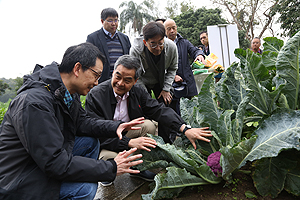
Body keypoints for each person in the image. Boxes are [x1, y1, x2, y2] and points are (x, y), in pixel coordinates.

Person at [0, 42, 146, 200]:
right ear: (77, 69)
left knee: (90, 142)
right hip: (20, 178)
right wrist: (111, 167)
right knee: (85, 188)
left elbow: (82, 122)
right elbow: (54, 162)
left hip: (41, 162)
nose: (97, 82)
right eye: (96, 75)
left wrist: (116, 126)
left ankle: (67, 180)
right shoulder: (34, 103)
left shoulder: (66, 92)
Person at [85, 54, 212, 160]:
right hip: (107, 140)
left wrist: (185, 128)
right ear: (113, 73)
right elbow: (97, 134)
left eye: (127, 80)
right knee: (109, 160)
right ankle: (121, 162)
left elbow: (158, 110)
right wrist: (128, 143)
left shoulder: (137, 91)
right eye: (117, 77)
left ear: (135, 81)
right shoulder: (96, 96)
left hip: (127, 134)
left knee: (148, 125)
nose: (120, 83)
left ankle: (139, 163)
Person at [129, 21, 178, 143]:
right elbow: (135, 75)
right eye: (153, 44)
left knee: (165, 104)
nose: (158, 48)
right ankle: (145, 141)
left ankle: (166, 142)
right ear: (145, 42)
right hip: (142, 80)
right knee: (141, 107)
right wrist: (144, 97)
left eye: (160, 43)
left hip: (160, 80)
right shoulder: (135, 50)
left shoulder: (171, 47)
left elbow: (173, 68)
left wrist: (166, 89)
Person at [164, 19, 205, 115]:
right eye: (169, 29)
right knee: (174, 113)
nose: (172, 31)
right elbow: (159, 66)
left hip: (186, 84)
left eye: (173, 28)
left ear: (176, 28)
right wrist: (173, 77)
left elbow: (194, 50)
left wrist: (199, 55)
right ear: (165, 31)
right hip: (170, 86)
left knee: (189, 113)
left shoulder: (184, 42)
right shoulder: (162, 45)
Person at [87, 7, 131, 83]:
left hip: (121, 80)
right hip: (102, 80)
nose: (113, 23)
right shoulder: (93, 38)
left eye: (116, 20)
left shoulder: (124, 38)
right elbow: (89, 60)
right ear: (102, 21)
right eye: (110, 20)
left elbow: (129, 58)